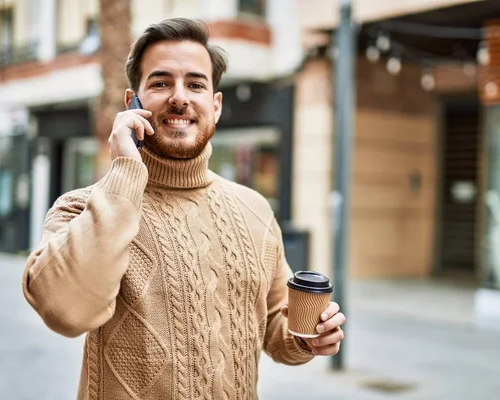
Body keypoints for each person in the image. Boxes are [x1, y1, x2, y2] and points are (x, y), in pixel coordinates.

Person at [22, 18, 346, 400]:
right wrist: (125, 172)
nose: (180, 97)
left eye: (195, 84)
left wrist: (310, 337)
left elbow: (275, 325)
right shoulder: (81, 207)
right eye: (160, 83)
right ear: (133, 102)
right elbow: (66, 312)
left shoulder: (254, 208)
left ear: (216, 104)